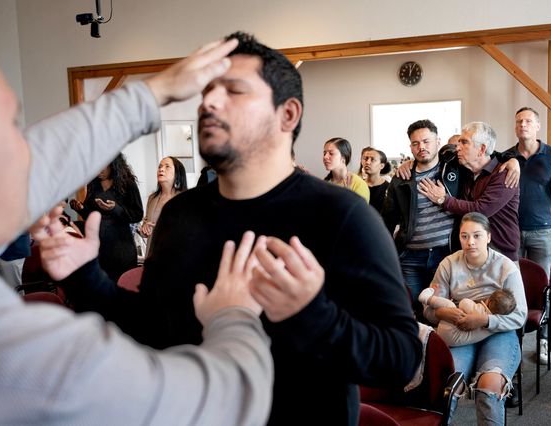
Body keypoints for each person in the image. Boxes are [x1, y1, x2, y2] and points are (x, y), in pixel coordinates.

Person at [40, 32, 422, 426]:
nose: (209, 102)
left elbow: (401, 360)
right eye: (207, 92)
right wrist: (85, 278)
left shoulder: (341, 215)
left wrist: (313, 315)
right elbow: (155, 327)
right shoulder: (180, 214)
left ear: (287, 115)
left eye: (234, 91)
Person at [0, 30, 273, 425]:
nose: (212, 105)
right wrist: (234, 317)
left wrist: (153, 92)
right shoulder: (6, 347)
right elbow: (217, 402)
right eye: (14, 127)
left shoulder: (335, 215)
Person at [423, 212, 527, 425]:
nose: (470, 242)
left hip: (498, 333)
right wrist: (444, 313)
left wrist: (484, 321)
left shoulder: (506, 267)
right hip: (460, 331)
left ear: (489, 237)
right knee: (446, 386)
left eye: (477, 236)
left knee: (488, 388)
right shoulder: (449, 264)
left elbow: (520, 316)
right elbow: (428, 308)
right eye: (464, 236)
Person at [504, 106, 551, 365]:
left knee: (541, 289)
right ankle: (514, 340)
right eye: (519, 120)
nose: (523, 124)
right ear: (515, 126)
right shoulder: (507, 156)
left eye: (528, 121)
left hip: (542, 232)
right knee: (513, 289)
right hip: (510, 234)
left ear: (538, 126)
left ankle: (542, 341)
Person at [382, 120, 462, 313]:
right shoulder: (402, 177)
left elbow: (468, 150)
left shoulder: (453, 169)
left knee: (442, 311)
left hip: (446, 254)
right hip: (410, 257)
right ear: (410, 147)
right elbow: (387, 220)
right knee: (413, 311)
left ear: (438, 142)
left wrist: (512, 162)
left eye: (426, 141)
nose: (422, 147)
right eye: (415, 143)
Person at [418, 122, 521, 262]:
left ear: (482, 149)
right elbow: (434, 158)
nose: (457, 147)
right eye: (458, 142)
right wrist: (410, 165)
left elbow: (480, 211)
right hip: (470, 251)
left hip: (500, 254)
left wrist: (443, 199)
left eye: (464, 142)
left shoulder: (504, 174)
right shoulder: (466, 171)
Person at [70, 154, 144, 282]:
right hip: (99, 249)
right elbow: (91, 216)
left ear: (113, 163)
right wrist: (81, 209)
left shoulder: (127, 184)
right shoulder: (94, 184)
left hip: (121, 249)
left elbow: (137, 214)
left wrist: (115, 208)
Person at [419, 285, 516, 346]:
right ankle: (427, 302)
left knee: (450, 306)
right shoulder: (495, 326)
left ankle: (426, 298)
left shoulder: (481, 311)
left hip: (450, 333)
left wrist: (472, 302)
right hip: (451, 340)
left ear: (489, 300)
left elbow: (464, 303)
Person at [139, 156, 188, 254]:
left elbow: (188, 230)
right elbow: (145, 227)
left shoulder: (184, 198)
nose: (161, 169)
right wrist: (145, 229)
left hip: (175, 255)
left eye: (167, 167)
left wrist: (162, 228)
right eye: (160, 166)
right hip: (152, 255)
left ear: (177, 173)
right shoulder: (152, 198)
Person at [323, 137, 370, 202]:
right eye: (324, 153)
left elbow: (360, 211)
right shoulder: (325, 183)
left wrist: (347, 197)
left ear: (343, 158)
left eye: (331, 153)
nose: (325, 157)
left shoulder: (358, 184)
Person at [360, 146, 391, 212]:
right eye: (366, 159)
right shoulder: (359, 185)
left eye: (372, 160)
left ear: (381, 166)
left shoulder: (389, 188)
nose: (367, 162)